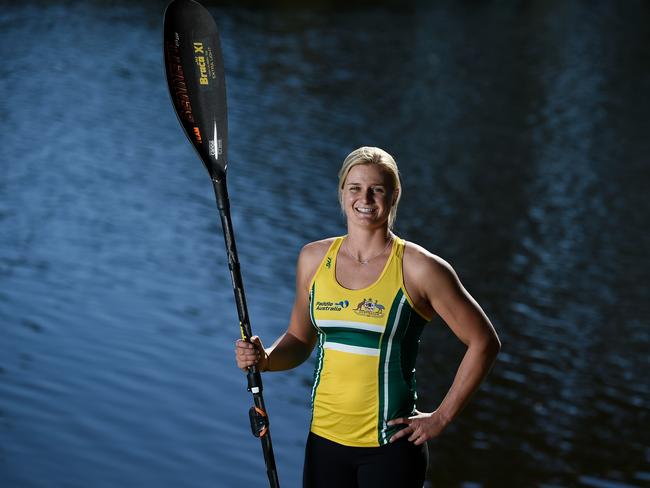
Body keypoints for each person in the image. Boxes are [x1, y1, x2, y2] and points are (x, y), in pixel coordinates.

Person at [235, 147, 501, 488]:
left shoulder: (419, 268)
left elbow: (484, 342)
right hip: (323, 443)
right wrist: (266, 359)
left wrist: (441, 418)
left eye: (377, 189)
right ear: (342, 193)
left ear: (394, 195)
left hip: (390, 451)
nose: (365, 198)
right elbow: (300, 340)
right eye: (355, 187)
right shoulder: (313, 259)